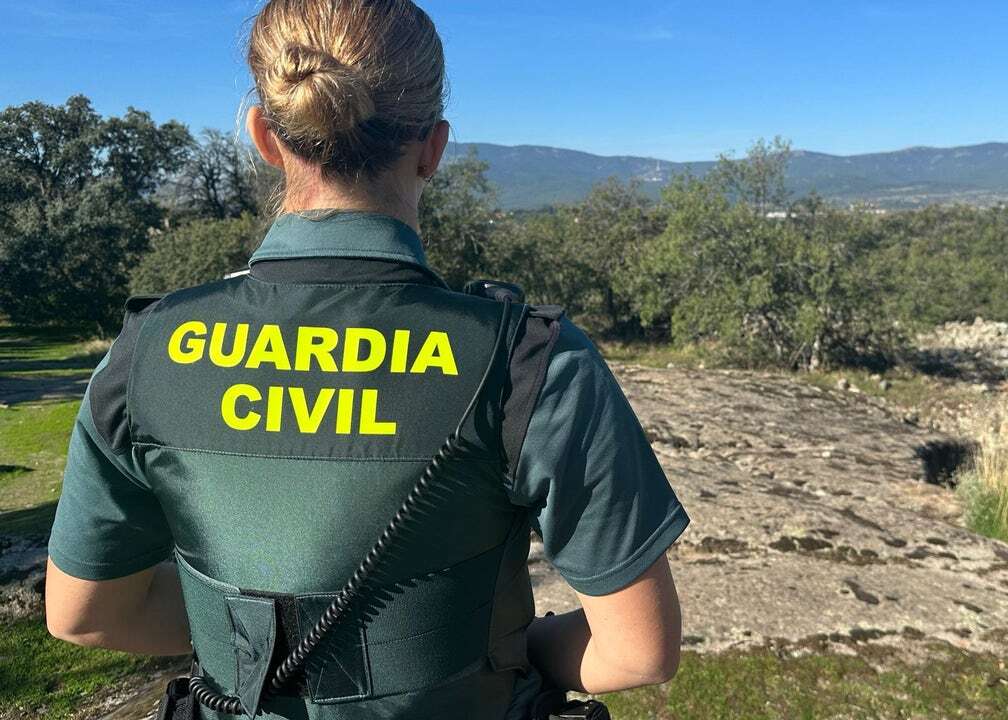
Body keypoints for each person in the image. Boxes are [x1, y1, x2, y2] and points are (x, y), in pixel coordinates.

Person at [42, 1, 688, 718]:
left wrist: (255, 645)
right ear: (433, 147)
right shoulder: (530, 362)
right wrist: (506, 645)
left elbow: (85, 615)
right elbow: (639, 651)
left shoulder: (147, 354)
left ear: (263, 135)